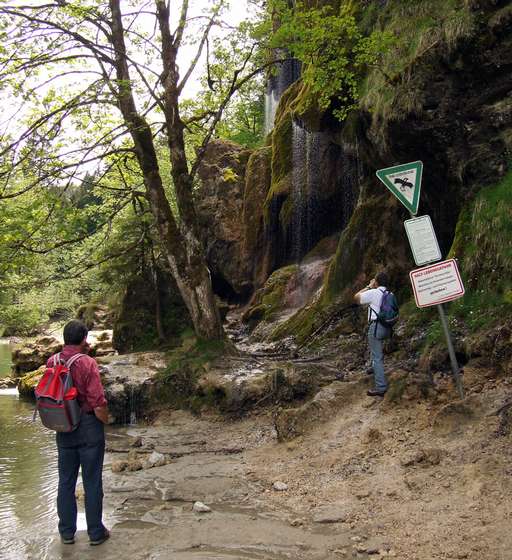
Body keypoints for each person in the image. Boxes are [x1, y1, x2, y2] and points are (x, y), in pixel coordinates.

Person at [47, 319, 110, 546]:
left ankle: (66, 532)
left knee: (65, 481)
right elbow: (97, 401)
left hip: (62, 426)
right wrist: (105, 422)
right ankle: (95, 533)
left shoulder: (52, 361)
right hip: (88, 426)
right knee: (92, 481)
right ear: (84, 338)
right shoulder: (88, 363)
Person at [354, 272, 390, 397]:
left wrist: (369, 286)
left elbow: (357, 297)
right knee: (376, 352)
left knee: (377, 357)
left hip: (376, 327)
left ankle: (381, 387)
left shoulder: (374, 292)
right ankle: (374, 368)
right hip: (387, 327)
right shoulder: (389, 294)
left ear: (377, 282)